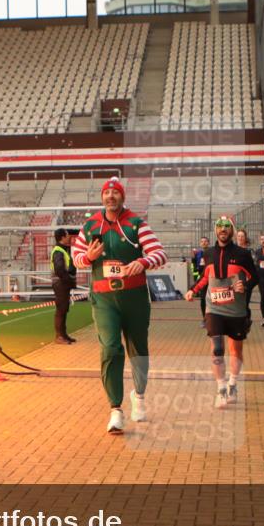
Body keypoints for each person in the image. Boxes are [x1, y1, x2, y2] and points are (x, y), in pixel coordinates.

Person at [72, 177, 168, 435]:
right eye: (107, 193)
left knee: (138, 351)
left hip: (135, 298)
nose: (111, 196)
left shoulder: (137, 224)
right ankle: (115, 409)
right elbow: (77, 257)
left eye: (115, 193)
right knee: (111, 349)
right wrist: (88, 257)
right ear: (102, 197)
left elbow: (160, 253)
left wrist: (144, 262)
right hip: (104, 300)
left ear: (122, 197)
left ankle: (139, 397)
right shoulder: (91, 225)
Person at [184, 215, 257, 409]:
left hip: (236, 310)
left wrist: (245, 285)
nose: (223, 229)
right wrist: (193, 289)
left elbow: (254, 277)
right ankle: (221, 389)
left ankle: (233, 384)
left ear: (232, 230)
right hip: (214, 308)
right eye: (219, 226)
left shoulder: (243, 254)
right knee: (217, 348)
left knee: (236, 350)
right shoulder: (207, 253)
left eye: (226, 226)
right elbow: (205, 277)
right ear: (216, 230)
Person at [51, 228, 77, 344]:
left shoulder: (62, 250)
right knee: (61, 310)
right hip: (61, 283)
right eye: (67, 235)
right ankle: (59, 336)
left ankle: (63, 334)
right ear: (62, 237)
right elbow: (60, 270)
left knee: (64, 309)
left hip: (62, 283)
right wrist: (69, 280)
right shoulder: (58, 251)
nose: (69, 237)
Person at [235, 228, 255, 315]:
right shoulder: (232, 250)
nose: (240, 238)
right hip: (234, 281)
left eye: (242, 236)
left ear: (245, 238)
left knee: (245, 305)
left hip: (246, 282)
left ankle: (246, 322)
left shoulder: (250, 251)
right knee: (235, 305)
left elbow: (253, 267)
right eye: (238, 236)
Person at [191, 236, 210, 327]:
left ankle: (213, 319)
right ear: (200, 243)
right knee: (203, 300)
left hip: (211, 279)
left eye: (205, 241)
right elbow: (194, 266)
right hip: (202, 280)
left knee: (212, 300)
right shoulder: (197, 254)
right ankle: (205, 319)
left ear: (208, 243)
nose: (204, 243)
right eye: (202, 241)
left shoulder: (211, 252)